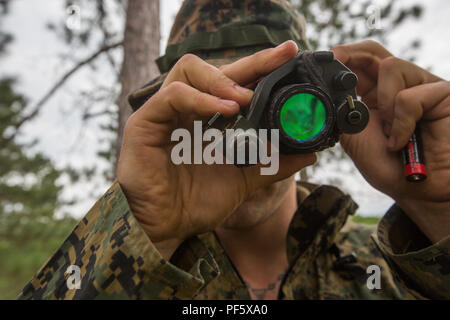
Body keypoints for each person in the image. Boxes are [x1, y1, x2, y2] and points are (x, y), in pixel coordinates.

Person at [19, 0, 449, 300]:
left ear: (322, 112)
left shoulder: (383, 273)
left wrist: (439, 210)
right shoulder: (134, 265)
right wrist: (143, 235)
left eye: (271, 106)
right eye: (216, 111)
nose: (245, 138)